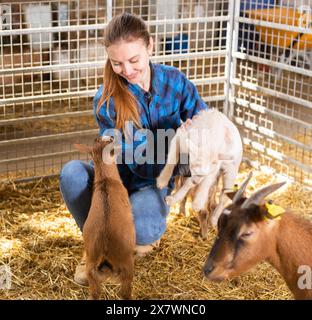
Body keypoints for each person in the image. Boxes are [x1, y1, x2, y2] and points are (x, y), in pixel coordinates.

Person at [59, 12, 208, 286]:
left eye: (133, 60)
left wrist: (198, 129)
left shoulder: (175, 81)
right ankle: (95, 249)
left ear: (150, 46)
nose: (126, 70)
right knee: (72, 174)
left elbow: (202, 119)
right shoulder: (106, 100)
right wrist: (177, 148)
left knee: (144, 223)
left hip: (149, 187)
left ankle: (131, 240)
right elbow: (130, 154)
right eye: (117, 63)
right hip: (115, 183)